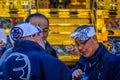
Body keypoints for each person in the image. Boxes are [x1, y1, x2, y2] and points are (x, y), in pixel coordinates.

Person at [0, 22, 71, 80]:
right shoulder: (49, 61)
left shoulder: (4, 63)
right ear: (34, 36)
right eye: (40, 36)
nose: (43, 40)